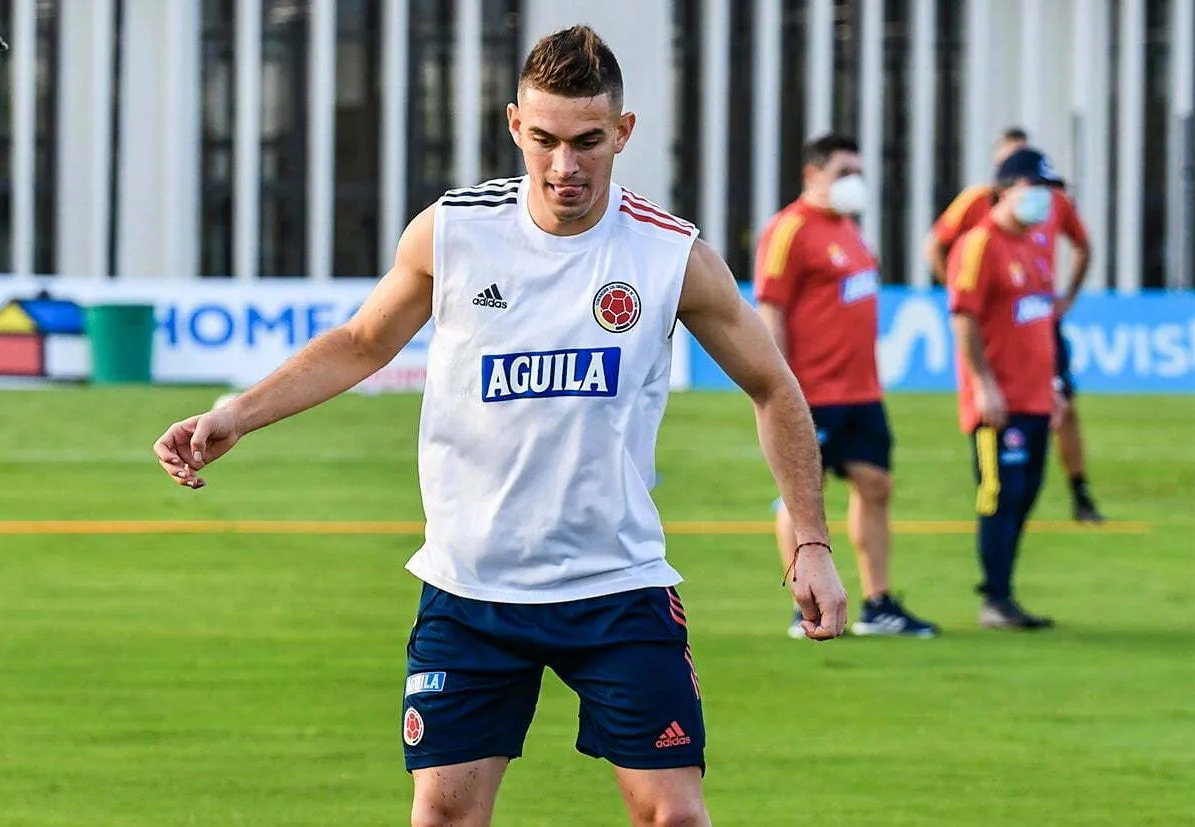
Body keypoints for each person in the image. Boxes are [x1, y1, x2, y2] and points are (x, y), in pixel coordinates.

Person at [153, 25, 847, 827]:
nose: (564, 166)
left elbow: (773, 386)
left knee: (675, 816)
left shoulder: (669, 254)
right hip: (471, 588)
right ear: (515, 124)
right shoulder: (454, 231)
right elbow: (361, 341)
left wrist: (811, 540)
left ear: (623, 132)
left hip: (615, 585)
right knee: (444, 815)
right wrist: (237, 412)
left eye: (588, 141)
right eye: (545, 139)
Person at [754, 133, 938, 640]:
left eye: (858, 172)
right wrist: (779, 383)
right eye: (843, 172)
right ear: (813, 175)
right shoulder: (789, 229)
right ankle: (805, 606)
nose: (853, 182)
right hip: (812, 392)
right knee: (802, 496)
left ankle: (879, 605)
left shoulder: (851, 231)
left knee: (876, 485)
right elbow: (772, 307)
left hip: (861, 391)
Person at [925, 128, 1105, 524]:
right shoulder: (977, 206)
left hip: (1038, 317)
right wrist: (961, 291)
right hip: (999, 321)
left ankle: (1079, 489)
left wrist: (1066, 299)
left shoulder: (1053, 201)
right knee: (996, 418)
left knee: (1063, 404)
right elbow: (935, 243)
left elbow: (1084, 245)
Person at [946, 148, 1065, 630]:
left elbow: (1042, 323)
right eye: (1036, 187)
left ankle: (1005, 593)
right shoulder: (980, 244)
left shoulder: (1034, 244)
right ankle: (994, 598)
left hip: (1035, 397)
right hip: (999, 402)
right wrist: (983, 385)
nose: (1044, 199)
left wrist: (1054, 385)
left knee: (1025, 495)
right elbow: (964, 317)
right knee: (999, 495)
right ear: (1007, 188)